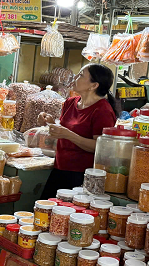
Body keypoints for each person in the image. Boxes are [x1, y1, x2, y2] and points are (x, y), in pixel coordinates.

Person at [38, 64, 118, 199]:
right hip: (60, 168)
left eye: (81, 75)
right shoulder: (70, 102)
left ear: (94, 86)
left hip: (81, 175)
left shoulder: (102, 111)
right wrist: (50, 123)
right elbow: (66, 131)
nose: (75, 77)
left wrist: (68, 135)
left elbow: (100, 147)